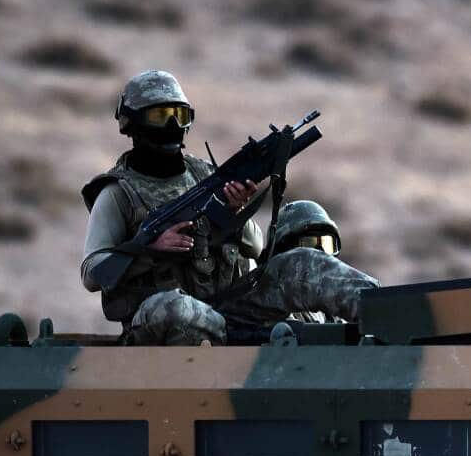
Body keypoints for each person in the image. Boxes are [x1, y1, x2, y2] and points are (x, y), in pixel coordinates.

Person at [80, 70, 374, 345]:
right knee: (174, 308)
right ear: (131, 123)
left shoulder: (207, 176)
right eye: (159, 116)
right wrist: (150, 250)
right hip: (164, 318)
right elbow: (92, 273)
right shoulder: (117, 193)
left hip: (231, 306)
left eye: (179, 115)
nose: (171, 126)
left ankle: (387, 314)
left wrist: (234, 213)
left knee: (301, 264)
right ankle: (248, 342)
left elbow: (257, 248)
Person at [218, 199, 378, 330]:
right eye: (308, 243)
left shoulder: (331, 313)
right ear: (282, 251)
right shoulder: (265, 302)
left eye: (327, 243)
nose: (320, 253)